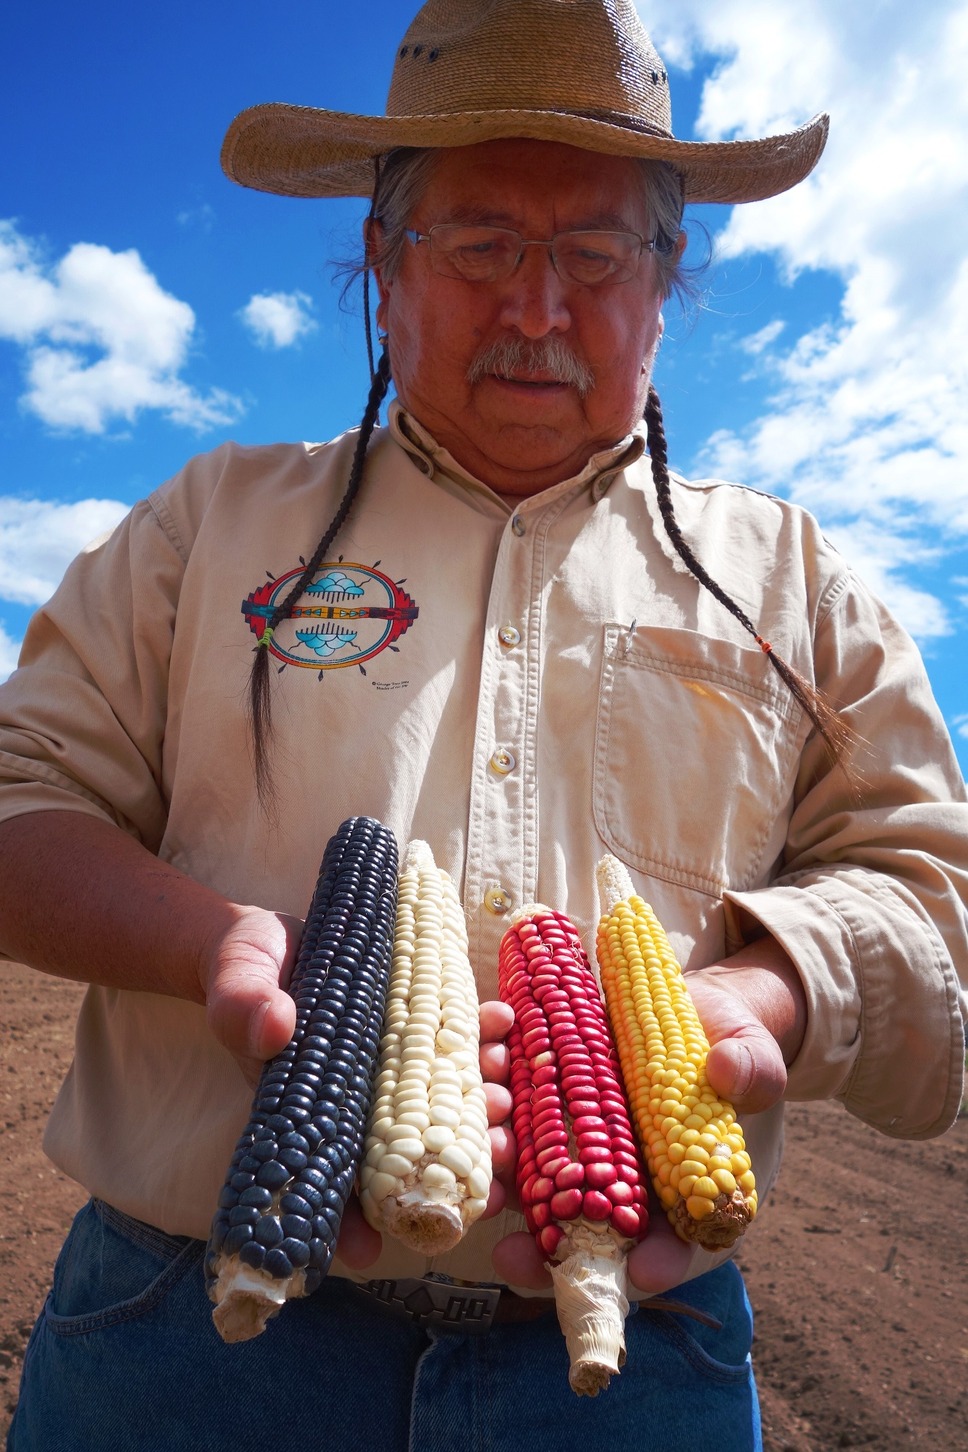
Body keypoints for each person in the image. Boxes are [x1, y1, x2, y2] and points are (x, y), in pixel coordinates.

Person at [2, 2, 966, 1448]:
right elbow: (23, 803)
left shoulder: (797, 581)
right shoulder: (208, 525)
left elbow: (926, 890)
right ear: (383, 264)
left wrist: (762, 996)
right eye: (480, 243)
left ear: (666, 279)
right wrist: (218, 948)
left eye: (593, 253)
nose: (537, 308)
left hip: (646, 1363)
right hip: (185, 1340)